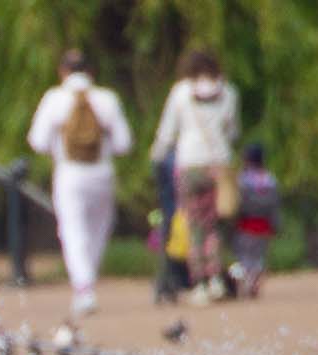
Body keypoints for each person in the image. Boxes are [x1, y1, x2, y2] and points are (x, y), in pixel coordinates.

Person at [27, 49, 133, 317]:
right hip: (102, 172)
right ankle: (87, 283)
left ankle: (83, 288)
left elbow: (37, 141)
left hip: (70, 173)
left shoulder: (55, 98)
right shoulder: (107, 99)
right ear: (91, 72)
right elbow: (124, 144)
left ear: (62, 71)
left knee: (73, 231)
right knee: (99, 229)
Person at [150, 47, 240, 305]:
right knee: (214, 226)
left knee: (194, 225)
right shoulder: (229, 92)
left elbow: (167, 132)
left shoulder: (181, 93)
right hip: (219, 164)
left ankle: (199, 282)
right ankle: (216, 279)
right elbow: (233, 132)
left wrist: (157, 155)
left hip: (190, 164)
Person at [233, 143, 280, 298]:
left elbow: (239, 204)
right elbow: (274, 205)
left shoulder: (243, 179)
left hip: (247, 224)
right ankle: (255, 285)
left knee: (245, 257)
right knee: (259, 257)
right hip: (264, 225)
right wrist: (275, 224)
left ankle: (247, 285)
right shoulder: (270, 179)